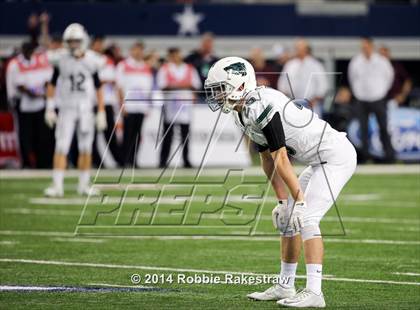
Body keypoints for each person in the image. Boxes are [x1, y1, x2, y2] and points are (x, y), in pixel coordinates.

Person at [205, 57, 357, 308]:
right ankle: (286, 285)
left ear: (240, 84)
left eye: (221, 88)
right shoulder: (242, 112)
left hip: (335, 156)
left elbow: (282, 157)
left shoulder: (260, 104)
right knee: (289, 218)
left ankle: (315, 292)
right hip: (318, 160)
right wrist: (282, 200)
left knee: (306, 217)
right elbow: (266, 158)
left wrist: (298, 199)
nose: (217, 94)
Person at [43, 23, 107, 197]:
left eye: (77, 41)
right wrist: (50, 108)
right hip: (67, 107)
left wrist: (101, 110)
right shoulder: (60, 58)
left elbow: (99, 86)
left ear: (83, 41)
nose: (73, 45)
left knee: (86, 147)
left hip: (86, 108)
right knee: (61, 146)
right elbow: (52, 83)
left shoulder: (92, 59)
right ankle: (57, 186)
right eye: (70, 41)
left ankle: (84, 185)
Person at [6, 42, 54, 168]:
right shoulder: (15, 64)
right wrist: (37, 93)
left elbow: (47, 80)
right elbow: (20, 86)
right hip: (22, 104)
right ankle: (26, 162)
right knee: (25, 136)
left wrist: (42, 92)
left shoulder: (38, 61)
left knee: (41, 135)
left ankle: (42, 163)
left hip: (38, 105)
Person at [348, 37, 395, 163]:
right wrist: (358, 93)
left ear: (371, 46)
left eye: (366, 46)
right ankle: (364, 157)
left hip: (378, 98)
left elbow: (389, 77)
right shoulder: (356, 61)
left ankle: (389, 156)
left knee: (383, 127)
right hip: (362, 99)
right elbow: (352, 78)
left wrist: (382, 91)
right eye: (362, 46)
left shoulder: (381, 61)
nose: (364, 48)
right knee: (363, 128)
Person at [157, 47, 201, 168]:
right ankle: (163, 161)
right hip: (170, 107)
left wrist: (178, 85)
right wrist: (179, 85)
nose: (176, 57)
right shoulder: (165, 69)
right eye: (173, 55)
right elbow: (162, 86)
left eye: (177, 54)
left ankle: (186, 160)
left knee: (185, 135)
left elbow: (196, 85)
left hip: (185, 107)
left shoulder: (189, 69)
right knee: (167, 135)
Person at [116, 42, 153, 167]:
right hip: (129, 106)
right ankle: (124, 160)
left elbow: (148, 89)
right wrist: (122, 105)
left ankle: (134, 159)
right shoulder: (123, 65)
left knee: (137, 135)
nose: (138, 52)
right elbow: (119, 87)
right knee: (127, 134)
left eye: (141, 50)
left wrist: (148, 106)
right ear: (131, 51)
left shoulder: (145, 67)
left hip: (141, 106)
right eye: (136, 50)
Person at [278, 38, 328, 117]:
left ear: (306, 49)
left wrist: (314, 100)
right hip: (293, 105)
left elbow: (323, 85)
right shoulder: (290, 64)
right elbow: (282, 85)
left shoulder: (316, 65)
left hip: (311, 105)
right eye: (296, 48)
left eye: (299, 48)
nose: (297, 50)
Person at [185, 32, 218, 99]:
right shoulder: (192, 58)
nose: (207, 45)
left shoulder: (215, 61)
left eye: (209, 42)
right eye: (205, 42)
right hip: (196, 93)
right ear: (201, 44)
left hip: (210, 94)